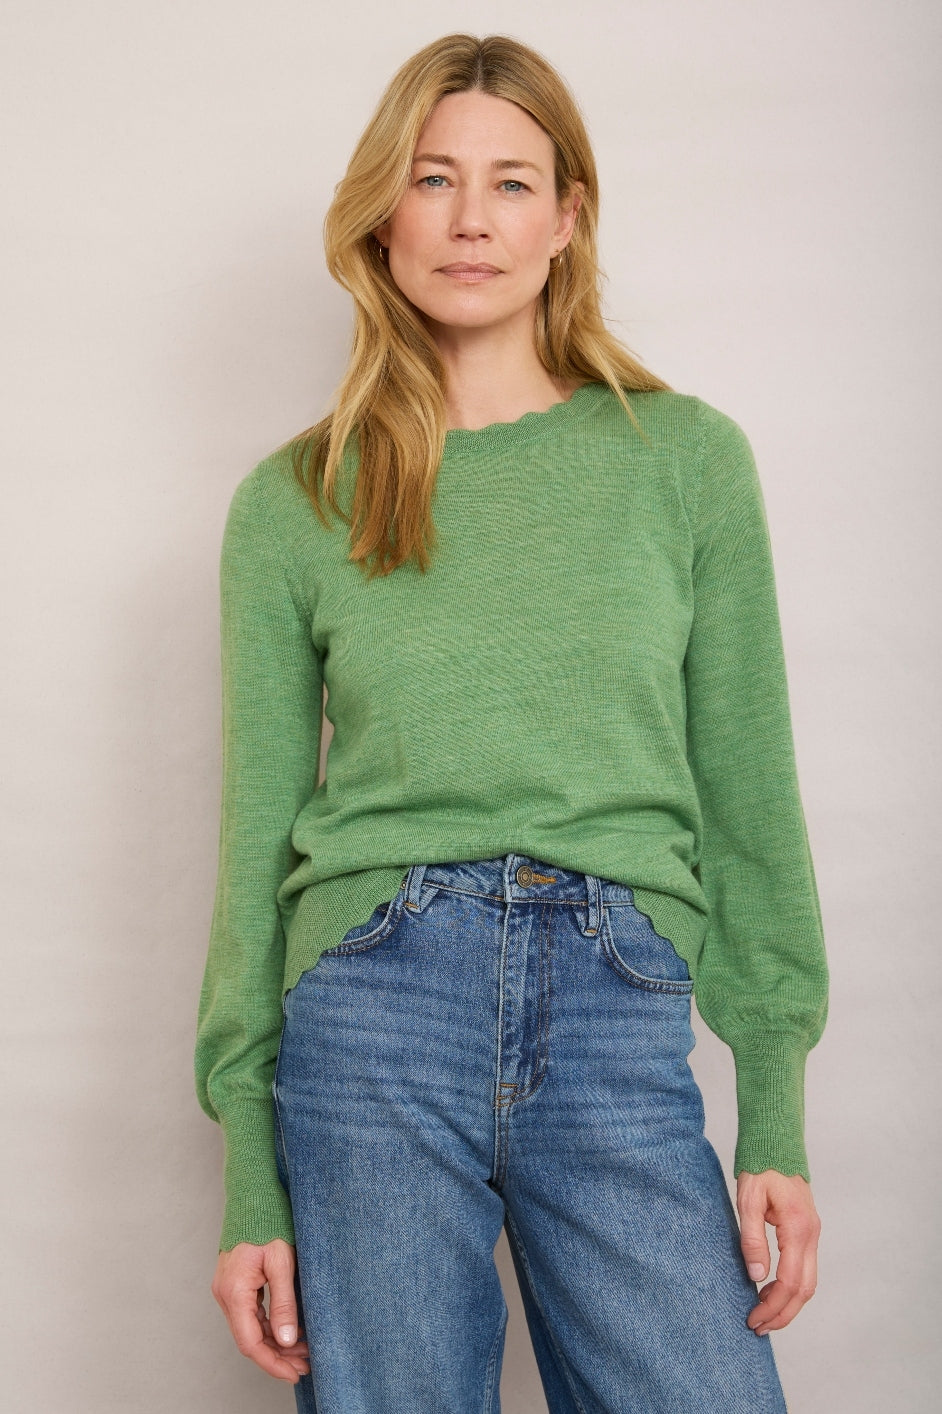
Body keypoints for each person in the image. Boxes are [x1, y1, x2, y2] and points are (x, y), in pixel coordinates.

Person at [195, 31, 828, 1414]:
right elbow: (254, 846)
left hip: (614, 997)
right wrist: (248, 1167)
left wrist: (773, 1105)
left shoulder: (685, 462)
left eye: (511, 182)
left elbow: (748, 795)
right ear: (384, 214)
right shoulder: (295, 500)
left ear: (566, 217)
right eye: (432, 179)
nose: (470, 219)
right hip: (371, 1004)